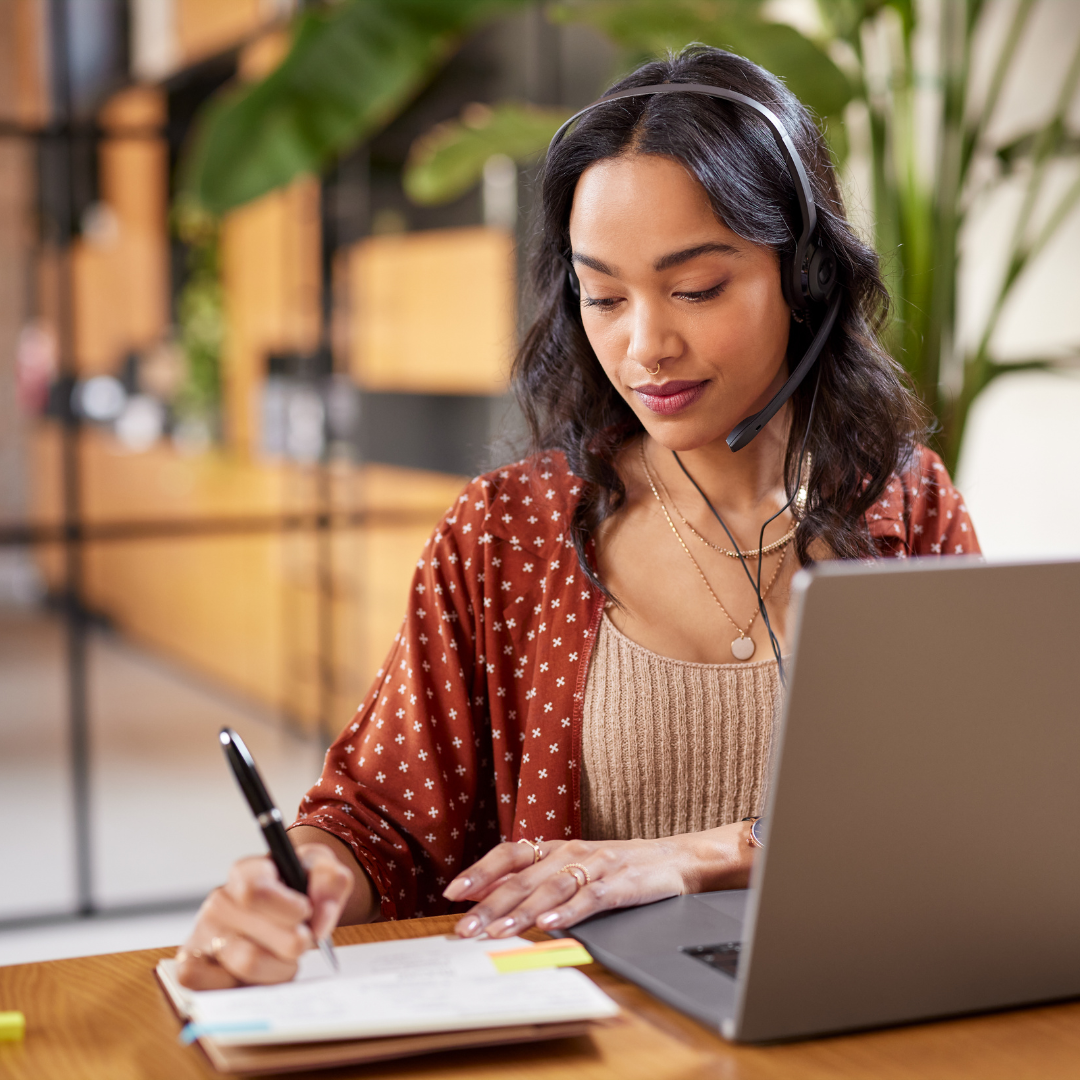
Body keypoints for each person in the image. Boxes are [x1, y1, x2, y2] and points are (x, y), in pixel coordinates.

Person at [177, 45, 979, 990]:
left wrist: (686, 855)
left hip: (859, 1018)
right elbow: (379, 821)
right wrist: (304, 877)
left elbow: (960, 815)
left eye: (696, 289)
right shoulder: (504, 535)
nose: (646, 346)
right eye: (604, 296)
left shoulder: (910, 505)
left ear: (803, 275)